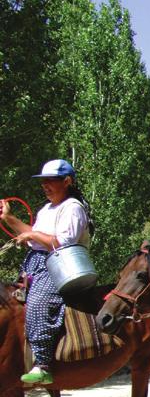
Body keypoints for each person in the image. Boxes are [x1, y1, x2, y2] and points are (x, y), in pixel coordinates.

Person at [0, 159, 92, 384]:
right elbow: (34, 232)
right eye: (43, 182)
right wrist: (8, 219)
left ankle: (42, 364)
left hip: (60, 266)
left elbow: (62, 242)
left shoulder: (73, 208)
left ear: (67, 181)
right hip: (35, 265)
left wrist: (32, 236)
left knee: (40, 303)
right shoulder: (47, 209)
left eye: (51, 181)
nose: (45, 185)